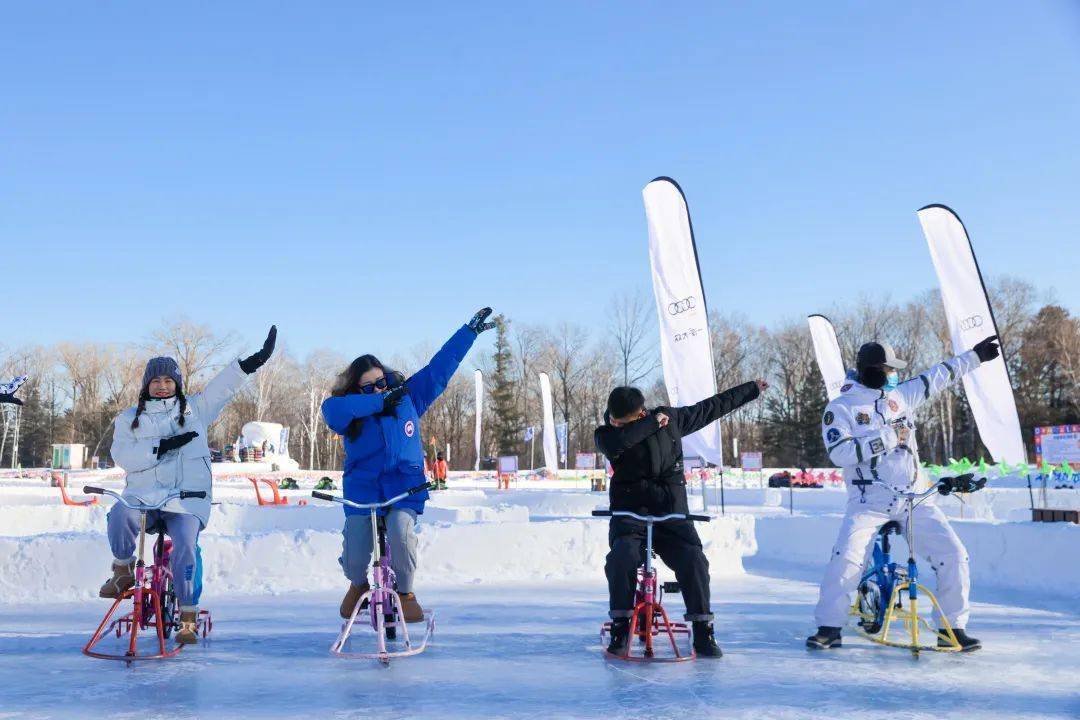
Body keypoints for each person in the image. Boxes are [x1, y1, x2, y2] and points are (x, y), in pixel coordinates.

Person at [806, 335, 1002, 652]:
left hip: (914, 499)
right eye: (888, 368)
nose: (894, 373)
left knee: (954, 554)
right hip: (868, 503)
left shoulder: (901, 395)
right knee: (847, 559)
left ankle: (951, 628)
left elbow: (940, 375)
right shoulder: (841, 409)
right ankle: (829, 627)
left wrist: (975, 357)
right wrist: (888, 436)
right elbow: (840, 454)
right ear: (872, 370)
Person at [100, 327, 277, 644]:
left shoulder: (196, 409)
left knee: (185, 545)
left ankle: (188, 615)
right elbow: (122, 455)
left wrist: (252, 363)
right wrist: (162, 447)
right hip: (144, 497)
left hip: (186, 499)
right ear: (147, 385)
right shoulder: (128, 419)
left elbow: (223, 388)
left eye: (169, 381)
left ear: (177, 384)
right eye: (156, 381)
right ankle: (123, 569)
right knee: (118, 515)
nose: (163, 386)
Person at [322, 308, 495, 622]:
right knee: (356, 552)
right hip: (364, 490)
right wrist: (377, 403)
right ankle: (357, 585)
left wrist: (467, 332)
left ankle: (405, 592)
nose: (379, 388)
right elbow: (331, 409)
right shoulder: (347, 412)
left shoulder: (407, 397)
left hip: (404, 485)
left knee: (402, 534)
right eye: (369, 386)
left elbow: (440, 368)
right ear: (355, 390)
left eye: (382, 382)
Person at [594, 378, 767, 658]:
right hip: (630, 515)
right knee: (621, 558)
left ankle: (702, 629)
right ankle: (622, 624)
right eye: (613, 420)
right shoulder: (606, 434)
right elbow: (620, 442)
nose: (615, 425)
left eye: (621, 421)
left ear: (639, 413)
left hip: (670, 512)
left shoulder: (672, 420)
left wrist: (750, 390)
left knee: (693, 560)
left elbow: (711, 407)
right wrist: (651, 423)